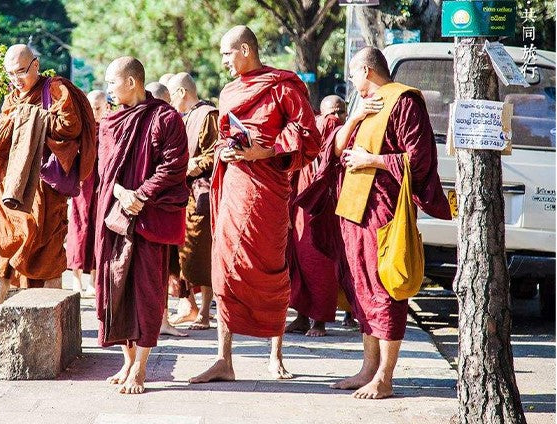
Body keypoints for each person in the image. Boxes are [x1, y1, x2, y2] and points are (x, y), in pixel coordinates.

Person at [189, 25, 321, 384]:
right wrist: (228, 150)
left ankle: (275, 356)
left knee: (271, 268)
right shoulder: (230, 91)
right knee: (225, 269)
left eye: (227, 54)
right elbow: (223, 138)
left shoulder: (282, 86)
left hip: (268, 192)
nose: (223, 62)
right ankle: (223, 359)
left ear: (245, 49)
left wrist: (268, 150)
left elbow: (309, 136)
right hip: (234, 186)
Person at [0, 44, 96, 348]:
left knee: (48, 255)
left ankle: (56, 335)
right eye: (10, 74)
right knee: (2, 250)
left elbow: (70, 127)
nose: (16, 79)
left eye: (21, 71)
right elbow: (5, 135)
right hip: (15, 192)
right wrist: (23, 119)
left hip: (46, 190)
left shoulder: (56, 89)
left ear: (36, 65)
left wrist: (30, 118)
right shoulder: (12, 98)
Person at [330, 47, 450, 399]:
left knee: (385, 290)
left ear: (366, 70)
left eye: (353, 74)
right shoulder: (365, 108)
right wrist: (354, 121)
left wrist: (374, 160)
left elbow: (420, 160)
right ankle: (367, 369)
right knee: (362, 291)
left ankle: (385, 376)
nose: (351, 81)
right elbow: (336, 151)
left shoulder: (404, 102)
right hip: (355, 211)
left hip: (385, 213)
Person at [95, 56, 188, 394]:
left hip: (149, 217)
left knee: (148, 292)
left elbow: (174, 166)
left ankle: (142, 367)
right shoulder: (110, 121)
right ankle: (127, 360)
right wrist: (122, 192)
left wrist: (142, 194)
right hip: (116, 216)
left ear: (132, 82)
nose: (108, 89)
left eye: (112, 82)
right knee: (114, 287)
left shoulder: (166, 118)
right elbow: (106, 169)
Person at [286, 94, 348, 337]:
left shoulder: (342, 132)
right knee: (301, 261)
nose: (335, 118)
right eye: (331, 112)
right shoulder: (312, 131)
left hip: (328, 206)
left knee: (322, 261)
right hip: (302, 203)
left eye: (340, 112)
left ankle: (319, 321)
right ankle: (302, 317)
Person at [165, 72, 218, 330]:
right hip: (183, 196)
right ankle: (190, 306)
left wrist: (191, 166)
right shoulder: (183, 118)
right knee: (183, 255)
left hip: (202, 195)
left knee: (202, 254)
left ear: (181, 93)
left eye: (171, 94)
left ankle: (206, 313)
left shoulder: (208, 115)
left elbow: (216, 155)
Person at [143, 80, 188, 338]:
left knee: (163, 268)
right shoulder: (167, 119)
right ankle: (160, 321)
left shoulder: (159, 120)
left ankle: (161, 321)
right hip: (159, 206)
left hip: (156, 204)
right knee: (158, 270)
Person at [67, 90, 108, 297]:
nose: (93, 112)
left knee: (96, 227)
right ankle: (76, 278)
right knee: (79, 225)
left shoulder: (110, 127)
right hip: (82, 184)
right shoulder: (81, 127)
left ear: (106, 107)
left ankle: (93, 278)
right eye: (90, 107)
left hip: (101, 183)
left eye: (98, 108)